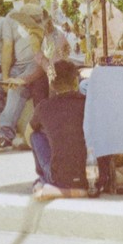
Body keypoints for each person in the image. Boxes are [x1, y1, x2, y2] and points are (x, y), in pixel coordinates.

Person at [0, 0, 50, 148]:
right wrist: (5, 75)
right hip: (17, 66)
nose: (14, 3)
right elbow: (7, 47)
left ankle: (5, 134)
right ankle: (4, 129)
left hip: (37, 63)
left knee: (15, 88)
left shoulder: (45, 11)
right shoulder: (11, 17)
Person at [30, 59, 90, 197]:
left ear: (51, 84)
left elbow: (30, 132)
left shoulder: (43, 107)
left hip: (61, 177)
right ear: (76, 82)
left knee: (35, 136)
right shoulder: (88, 103)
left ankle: (45, 180)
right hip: (93, 173)